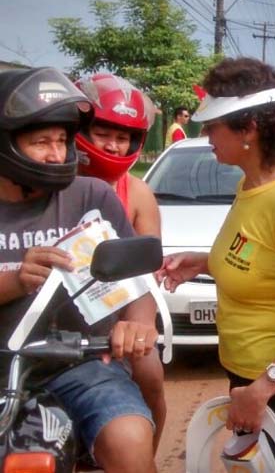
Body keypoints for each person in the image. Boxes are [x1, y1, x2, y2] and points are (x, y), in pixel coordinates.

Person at [155, 57, 275, 472]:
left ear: (249, 129)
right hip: (248, 376)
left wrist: (264, 388)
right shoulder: (251, 185)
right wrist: (204, 263)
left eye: (213, 125)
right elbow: (261, 260)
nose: (205, 135)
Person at [0, 67, 160, 472]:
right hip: (3, 362)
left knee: (130, 438)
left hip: (81, 363)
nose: (56, 154)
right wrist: (16, 279)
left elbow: (135, 279)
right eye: (41, 142)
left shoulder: (92, 196)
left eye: (62, 141)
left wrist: (137, 325)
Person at [74, 73, 166, 450]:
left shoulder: (138, 192)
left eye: (123, 136)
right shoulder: (54, 182)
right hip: (51, 312)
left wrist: (134, 325)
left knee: (150, 375)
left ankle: (149, 458)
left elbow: (146, 269)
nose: (113, 145)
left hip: (122, 312)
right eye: (103, 133)